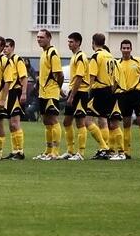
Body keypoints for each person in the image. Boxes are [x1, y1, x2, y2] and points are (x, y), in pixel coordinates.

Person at [117, 39, 140, 159]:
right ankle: (127, 151)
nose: (126, 50)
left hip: (137, 93)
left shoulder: (138, 61)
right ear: (120, 49)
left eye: (128, 48)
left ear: (131, 49)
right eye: (124, 48)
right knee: (126, 123)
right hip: (123, 95)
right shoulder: (117, 64)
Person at [86, 34, 119, 160]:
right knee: (103, 119)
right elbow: (116, 77)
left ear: (93, 42)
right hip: (109, 90)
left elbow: (92, 76)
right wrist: (112, 89)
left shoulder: (96, 56)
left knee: (88, 120)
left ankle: (104, 146)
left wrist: (88, 91)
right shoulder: (110, 56)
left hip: (98, 90)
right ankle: (104, 150)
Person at [33, 29, 63, 160]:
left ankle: (55, 152)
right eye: (38, 37)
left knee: (53, 119)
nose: (39, 39)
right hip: (42, 93)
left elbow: (59, 74)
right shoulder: (43, 53)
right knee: (46, 120)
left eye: (42, 37)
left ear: (49, 38)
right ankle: (48, 150)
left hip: (51, 92)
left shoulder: (53, 53)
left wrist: (58, 88)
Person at [59, 32, 90, 160]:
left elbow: (79, 78)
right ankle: (70, 150)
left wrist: (72, 96)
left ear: (78, 43)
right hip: (74, 91)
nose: (69, 44)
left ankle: (80, 153)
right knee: (67, 121)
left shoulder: (81, 57)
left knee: (80, 122)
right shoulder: (74, 56)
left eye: (71, 42)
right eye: (68, 41)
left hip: (80, 92)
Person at [2, 38, 28, 160]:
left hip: (16, 92)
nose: (5, 49)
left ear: (12, 47)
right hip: (9, 93)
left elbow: (24, 77)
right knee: (10, 124)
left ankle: (20, 151)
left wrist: (23, 93)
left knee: (15, 123)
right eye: (4, 47)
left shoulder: (17, 59)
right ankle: (14, 150)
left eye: (7, 46)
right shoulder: (5, 60)